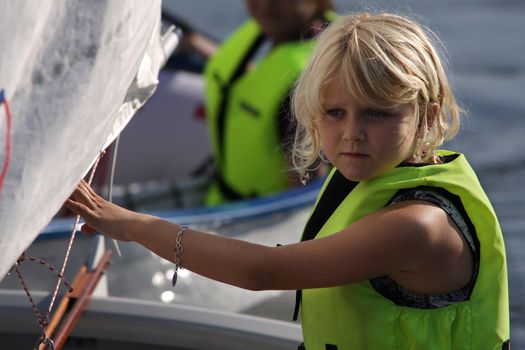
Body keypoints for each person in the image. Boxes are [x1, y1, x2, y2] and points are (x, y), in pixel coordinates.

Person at [66, 12, 510, 349]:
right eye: (335, 112)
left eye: (378, 112)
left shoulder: (419, 225)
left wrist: (131, 224)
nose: (352, 131)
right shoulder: (377, 170)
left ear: (427, 114)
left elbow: (263, 271)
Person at [203, 0, 336, 206]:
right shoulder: (277, 30)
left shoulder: (306, 84)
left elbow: (305, 188)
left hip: (258, 224)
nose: (265, 4)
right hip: (222, 199)